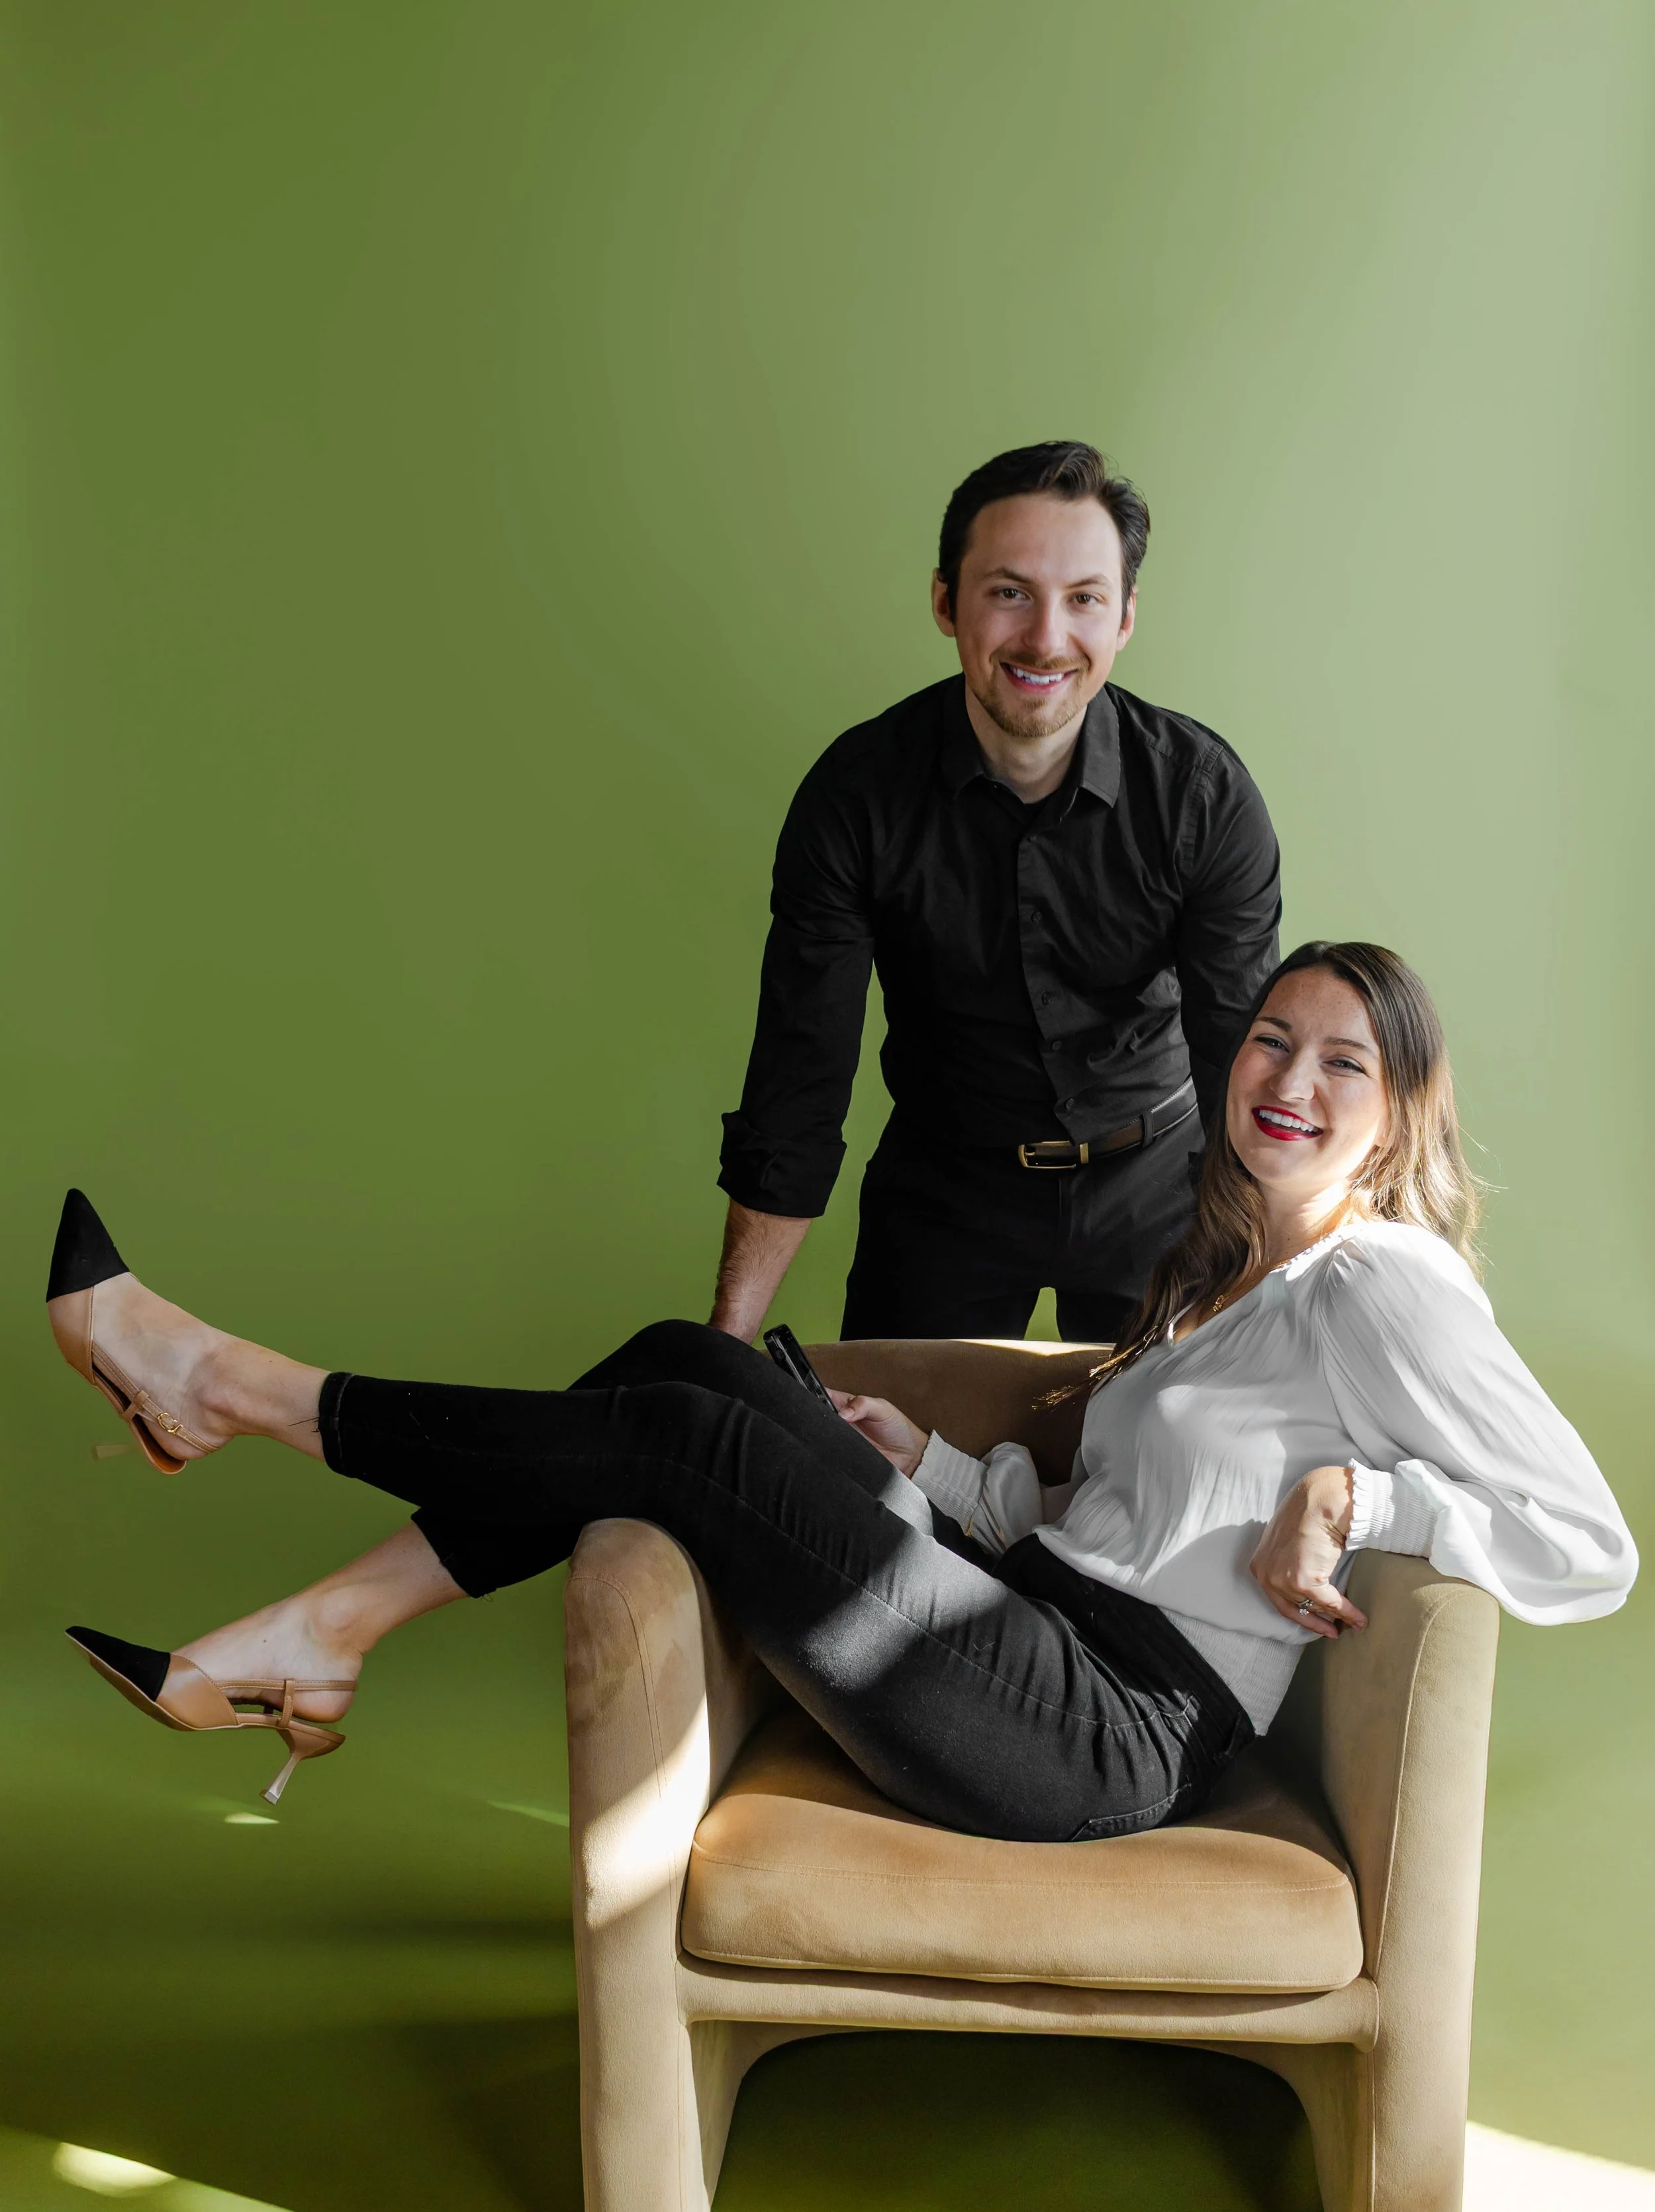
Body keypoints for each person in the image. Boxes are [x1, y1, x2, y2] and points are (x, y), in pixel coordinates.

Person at [48, 942, 1633, 1840]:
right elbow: (1106, 1523)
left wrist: (1357, 1497)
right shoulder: (1227, 1281)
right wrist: (929, 1470)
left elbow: (1588, 1543)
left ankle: (227, 1385)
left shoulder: (1381, 1283)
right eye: (1269, 1042)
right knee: (697, 1361)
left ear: (1398, 1108)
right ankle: (323, 1640)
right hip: (1019, 1612)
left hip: (1103, 1730)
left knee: (678, 1434)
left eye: (1340, 1063)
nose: (1287, 1083)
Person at [710, 438, 1282, 1346]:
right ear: (946, 602)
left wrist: (1293, 1298)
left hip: (1165, 1187)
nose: (1047, 638)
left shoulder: (1202, 797)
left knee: (1171, 1481)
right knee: (882, 1484)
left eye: (1084, 598)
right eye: (1010, 592)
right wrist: (726, 1344)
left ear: (1126, 616)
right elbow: (799, 1090)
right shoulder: (855, 797)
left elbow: (1246, 1067)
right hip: (946, 1193)